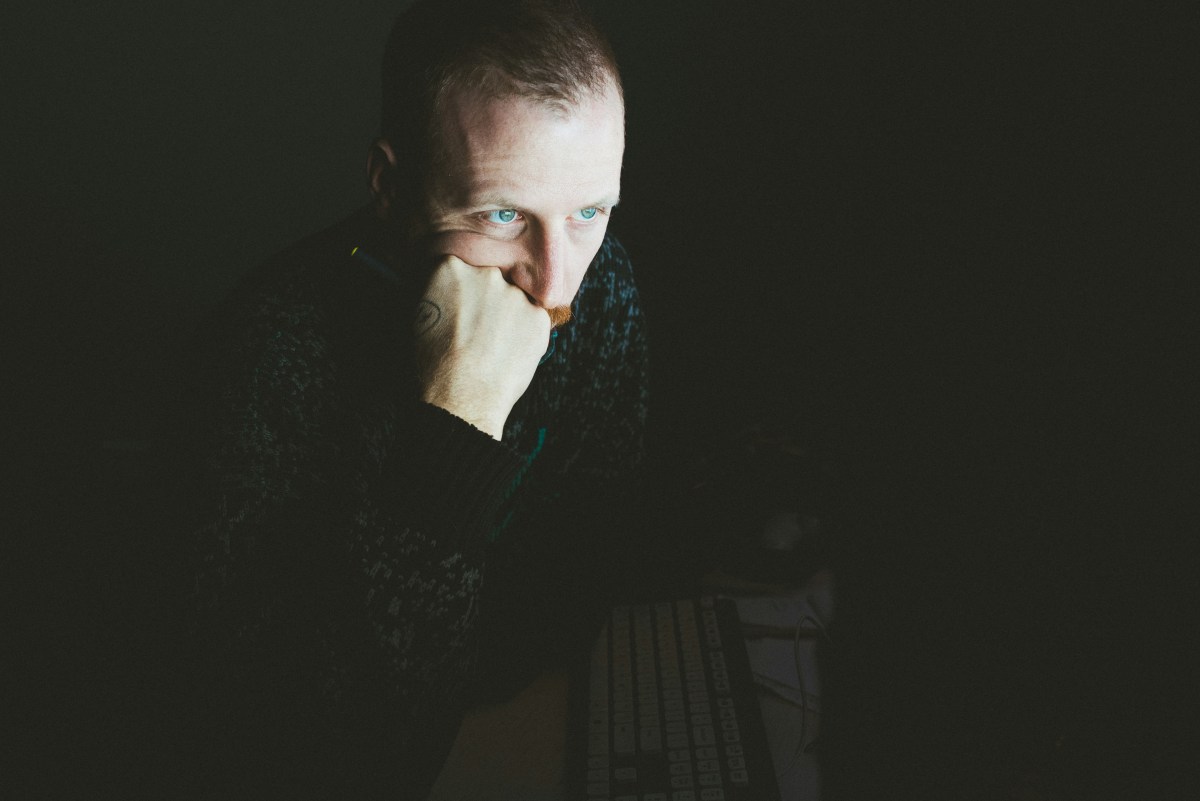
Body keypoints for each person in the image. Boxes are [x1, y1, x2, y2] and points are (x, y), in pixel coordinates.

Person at [182, 0, 648, 797]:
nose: (558, 281)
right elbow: (305, 738)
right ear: (392, 187)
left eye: (589, 213)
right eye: (503, 216)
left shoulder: (604, 290)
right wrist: (453, 433)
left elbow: (584, 584)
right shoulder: (263, 353)